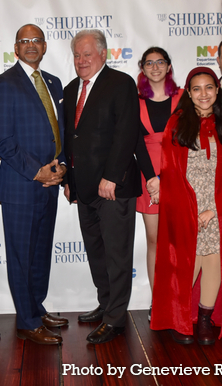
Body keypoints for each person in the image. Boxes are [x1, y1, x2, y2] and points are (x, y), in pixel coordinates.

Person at [150, 67, 222, 345]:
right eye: (196, 89)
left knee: (213, 259)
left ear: (217, 91)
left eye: (209, 88)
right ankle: (179, 317)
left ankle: (205, 319)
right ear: (188, 93)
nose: (203, 94)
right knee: (186, 261)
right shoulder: (177, 122)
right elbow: (170, 170)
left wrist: (215, 208)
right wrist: (190, 208)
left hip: (218, 205)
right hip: (184, 204)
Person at [0, 24, 68, 345]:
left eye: (36, 40)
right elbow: (1, 140)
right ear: (16, 47)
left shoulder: (54, 82)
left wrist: (62, 167)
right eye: (24, 41)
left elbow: (60, 133)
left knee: (39, 254)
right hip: (22, 185)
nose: (31, 45)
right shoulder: (4, 84)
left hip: (51, 183)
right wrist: (38, 172)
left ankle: (36, 307)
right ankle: (26, 321)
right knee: (22, 254)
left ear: (45, 46)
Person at [63, 29, 141, 344]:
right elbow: (70, 140)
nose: (81, 60)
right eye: (77, 55)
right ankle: (106, 304)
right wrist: (68, 181)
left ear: (103, 54)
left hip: (113, 187)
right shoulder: (70, 90)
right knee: (96, 252)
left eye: (87, 54)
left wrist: (112, 175)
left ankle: (116, 319)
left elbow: (127, 132)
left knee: (117, 254)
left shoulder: (121, 84)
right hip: (82, 189)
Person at [133, 47, 184, 321]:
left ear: (168, 65)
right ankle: (159, 302)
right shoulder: (136, 100)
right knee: (154, 240)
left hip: (178, 175)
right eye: (149, 63)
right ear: (143, 67)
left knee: (177, 242)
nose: (155, 67)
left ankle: (179, 300)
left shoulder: (183, 98)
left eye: (160, 61)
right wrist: (153, 179)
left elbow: (187, 141)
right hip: (147, 177)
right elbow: (136, 143)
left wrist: (166, 178)